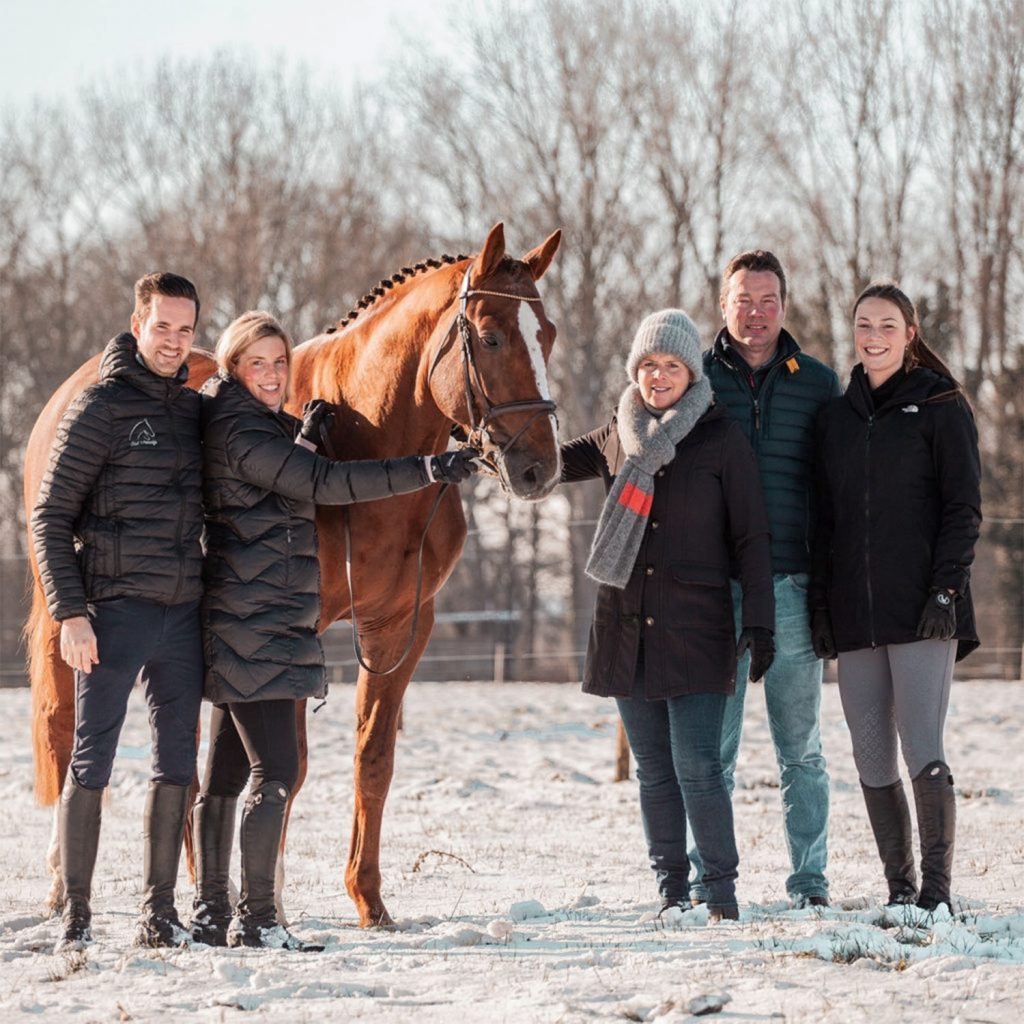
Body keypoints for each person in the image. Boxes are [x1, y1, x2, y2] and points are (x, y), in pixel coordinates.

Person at [190, 310, 476, 950]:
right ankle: (260, 917)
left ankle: (213, 914)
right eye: (256, 363)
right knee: (279, 771)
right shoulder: (241, 428)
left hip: (244, 617)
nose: (270, 374)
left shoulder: (244, 423)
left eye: (279, 363)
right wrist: (427, 470)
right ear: (233, 369)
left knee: (227, 777)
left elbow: (285, 480)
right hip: (257, 624)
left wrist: (305, 435)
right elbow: (324, 483)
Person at [560, 309, 775, 923]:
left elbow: (752, 538)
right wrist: (485, 446)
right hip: (628, 627)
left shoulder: (719, 440)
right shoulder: (615, 435)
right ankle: (671, 891)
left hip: (697, 630)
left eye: (671, 365)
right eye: (648, 365)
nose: (658, 376)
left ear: (690, 371)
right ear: (636, 371)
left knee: (698, 766)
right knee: (653, 770)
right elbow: (542, 462)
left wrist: (760, 622)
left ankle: (722, 893)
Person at [32, 272, 205, 950]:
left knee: (176, 764)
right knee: (92, 760)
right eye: (161, 326)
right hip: (111, 613)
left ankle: (158, 913)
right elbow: (49, 516)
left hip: (182, 616)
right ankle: (77, 917)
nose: (172, 340)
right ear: (139, 326)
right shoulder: (99, 407)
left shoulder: (194, 411)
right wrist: (70, 612)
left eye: (185, 329)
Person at [810, 282, 981, 913]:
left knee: (921, 746)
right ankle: (899, 888)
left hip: (924, 611)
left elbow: (964, 507)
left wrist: (947, 589)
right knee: (871, 754)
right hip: (855, 614)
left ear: (910, 333)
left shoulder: (941, 404)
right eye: (863, 325)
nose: (873, 336)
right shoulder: (836, 416)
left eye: (887, 325)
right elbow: (824, 521)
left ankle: (936, 892)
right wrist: (823, 609)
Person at [689, 250, 841, 909]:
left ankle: (809, 882)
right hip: (713, 592)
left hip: (790, 588)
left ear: (785, 303)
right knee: (710, 754)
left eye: (767, 299)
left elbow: (837, 490)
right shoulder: (693, 377)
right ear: (723, 304)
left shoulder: (819, 384)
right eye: (743, 299)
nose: (755, 312)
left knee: (800, 750)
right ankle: (708, 880)